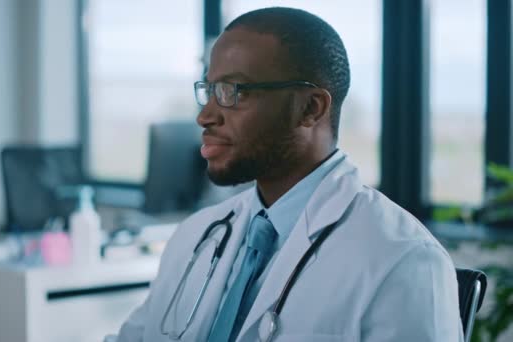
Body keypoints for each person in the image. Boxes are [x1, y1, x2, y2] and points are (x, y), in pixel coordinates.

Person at [113, 7, 462, 342]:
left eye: (233, 92)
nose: (205, 116)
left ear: (311, 108)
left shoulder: (402, 259)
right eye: (209, 90)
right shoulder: (196, 236)